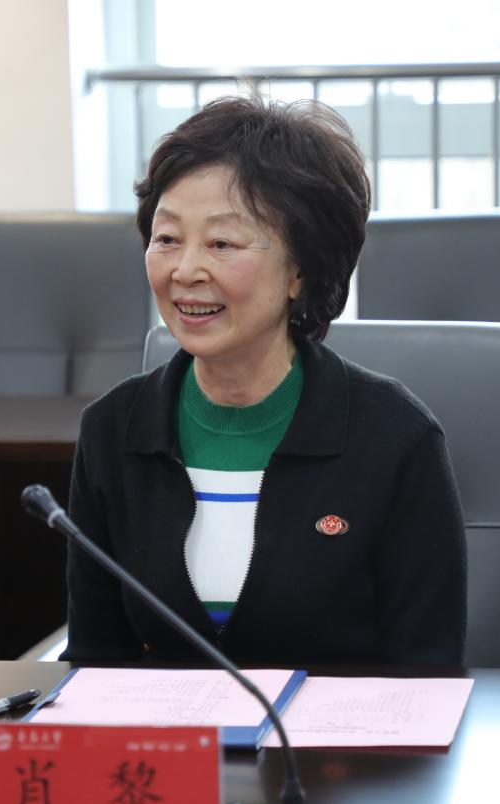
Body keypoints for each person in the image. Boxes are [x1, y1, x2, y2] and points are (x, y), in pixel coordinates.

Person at [62, 97, 466, 667]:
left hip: (343, 729)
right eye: (167, 238)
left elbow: (427, 672)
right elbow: (97, 661)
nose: (185, 270)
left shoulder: (395, 437)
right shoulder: (114, 430)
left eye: (222, 244)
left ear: (301, 269)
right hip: (168, 729)